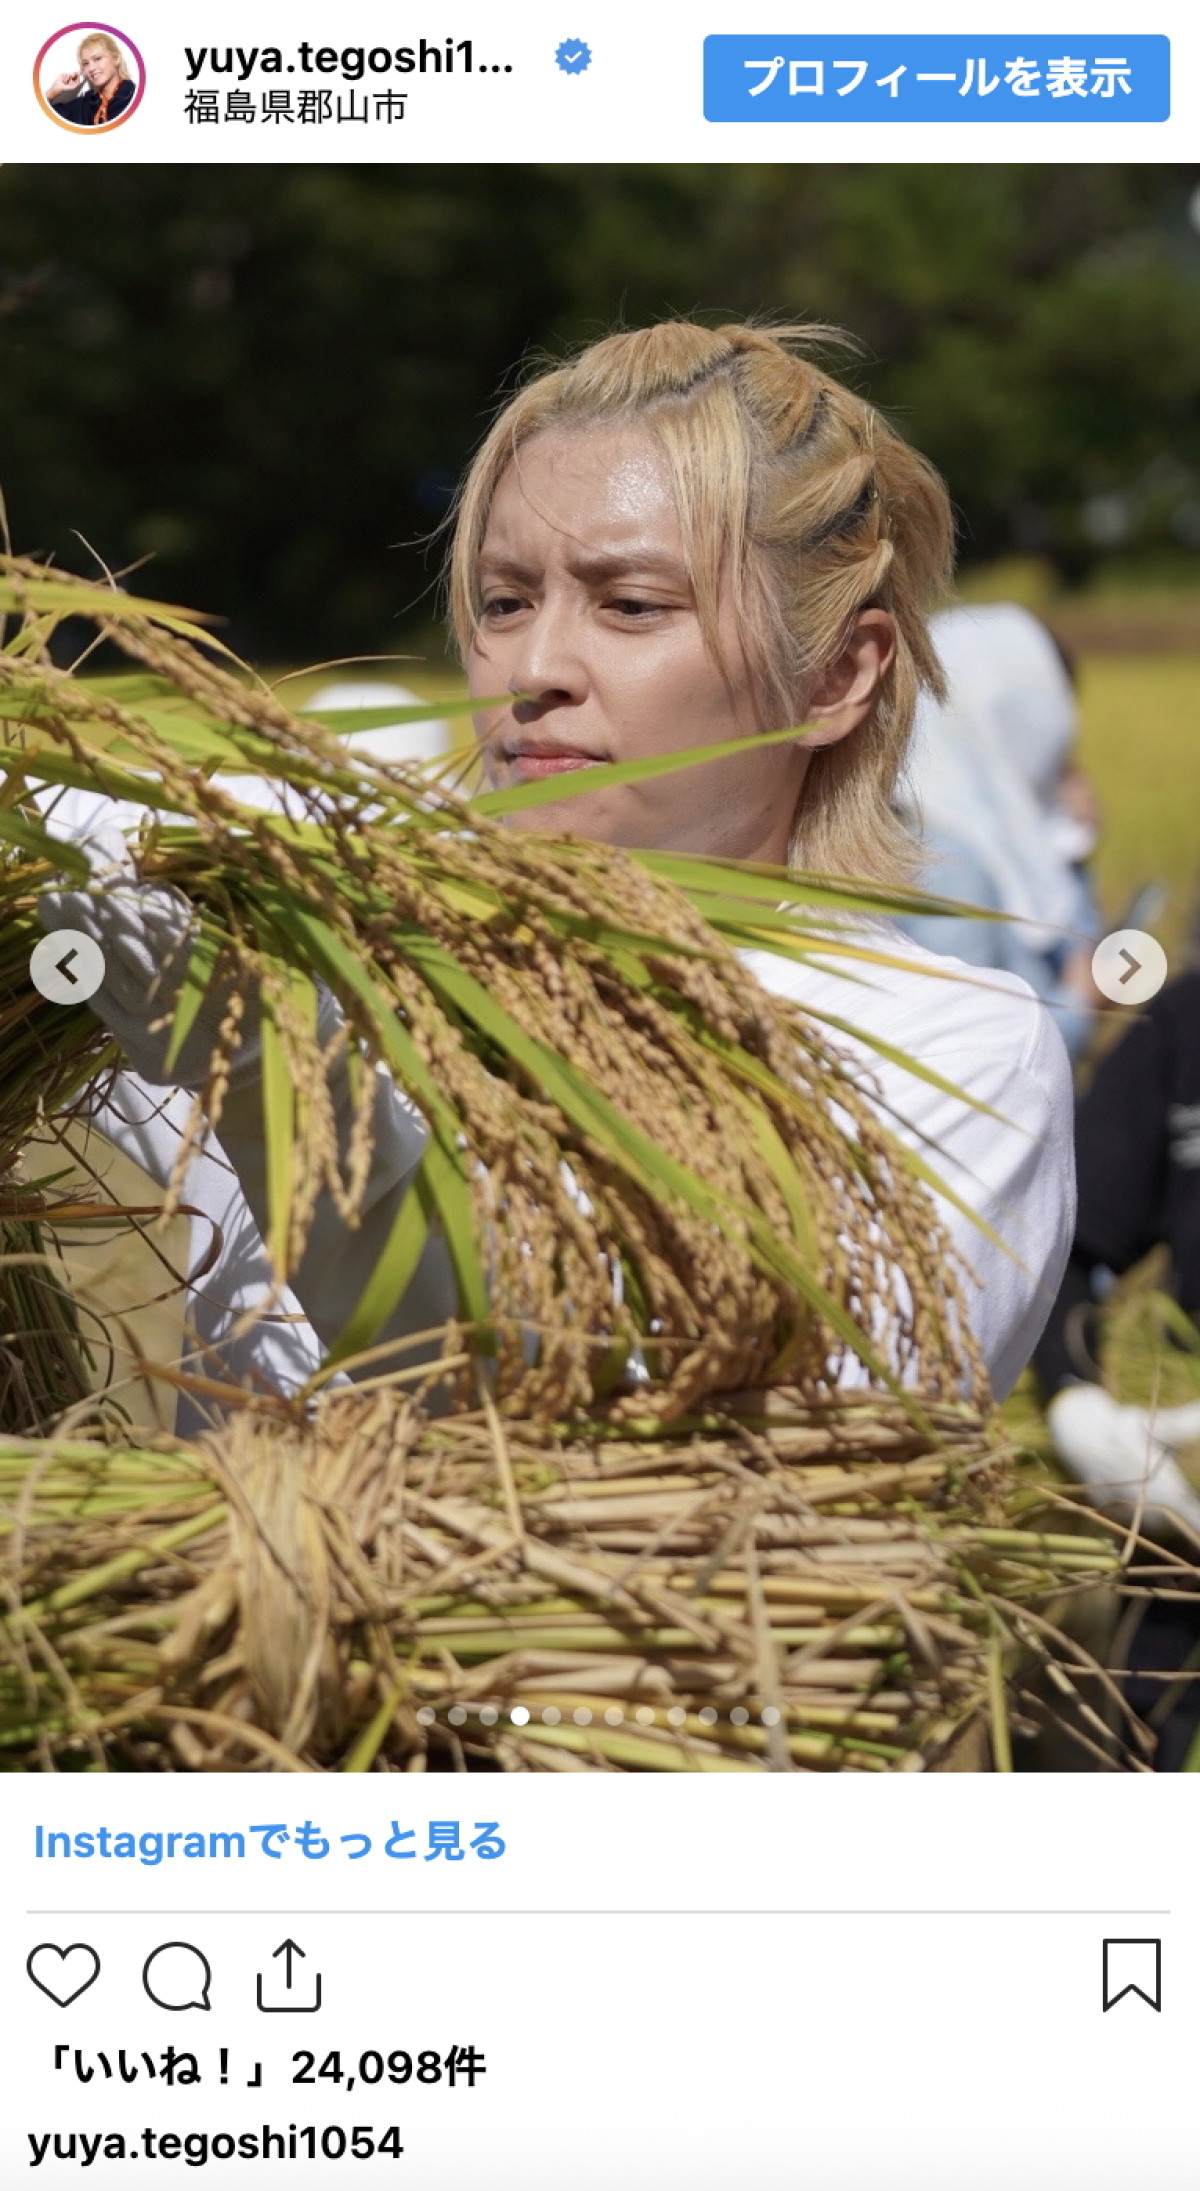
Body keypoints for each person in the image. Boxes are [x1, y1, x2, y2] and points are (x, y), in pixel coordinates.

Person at [40, 321, 1076, 1424]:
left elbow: (705, 1502)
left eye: (631, 604)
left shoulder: (946, 1053)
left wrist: (293, 1111)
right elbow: (67, 824)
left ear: (833, 675)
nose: (532, 669)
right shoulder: (327, 935)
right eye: (505, 601)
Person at [1035, 969, 1200, 1766]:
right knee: (1144, 1731)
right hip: (1187, 1512)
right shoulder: (1183, 1023)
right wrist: (1076, 1403)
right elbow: (1066, 1239)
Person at [895, 602, 1103, 1059]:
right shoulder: (945, 865)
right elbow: (977, 1056)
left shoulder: (990, 830)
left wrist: (1076, 846)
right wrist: (1083, 1005)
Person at [47, 33, 136, 127]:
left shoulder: (135, 98)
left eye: (97, 59)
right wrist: (53, 91)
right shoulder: (84, 105)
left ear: (117, 59)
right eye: (86, 63)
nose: (91, 68)